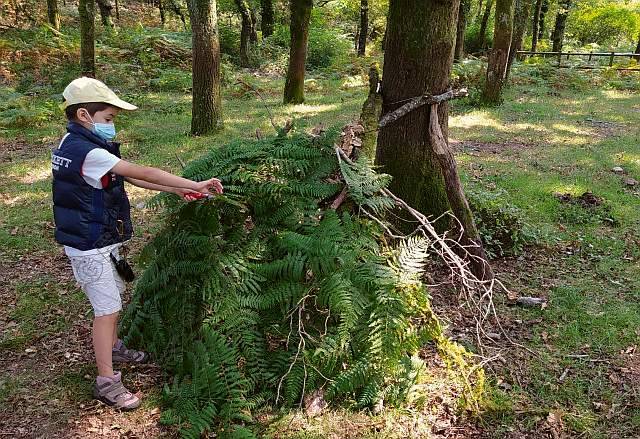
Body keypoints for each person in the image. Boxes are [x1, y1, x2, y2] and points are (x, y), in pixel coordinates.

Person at [51, 77, 223, 410]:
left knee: (113, 300)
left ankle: (114, 347)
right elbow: (144, 171)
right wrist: (194, 183)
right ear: (84, 115)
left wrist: (177, 190)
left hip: (98, 238)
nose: (112, 125)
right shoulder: (88, 151)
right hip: (89, 245)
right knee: (107, 310)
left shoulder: (73, 142)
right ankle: (106, 380)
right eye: (108, 118)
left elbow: (126, 176)